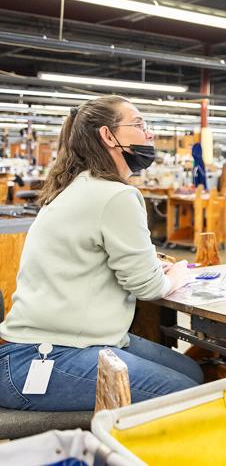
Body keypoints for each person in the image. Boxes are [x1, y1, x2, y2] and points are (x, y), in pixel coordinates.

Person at [0, 95, 203, 411]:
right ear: (108, 136)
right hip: (45, 356)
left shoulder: (75, 187)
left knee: (193, 371)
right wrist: (177, 275)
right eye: (138, 124)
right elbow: (148, 288)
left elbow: (109, 263)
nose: (149, 134)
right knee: (190, 394)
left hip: (56, 344)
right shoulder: (115, 196)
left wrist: (149, 267)